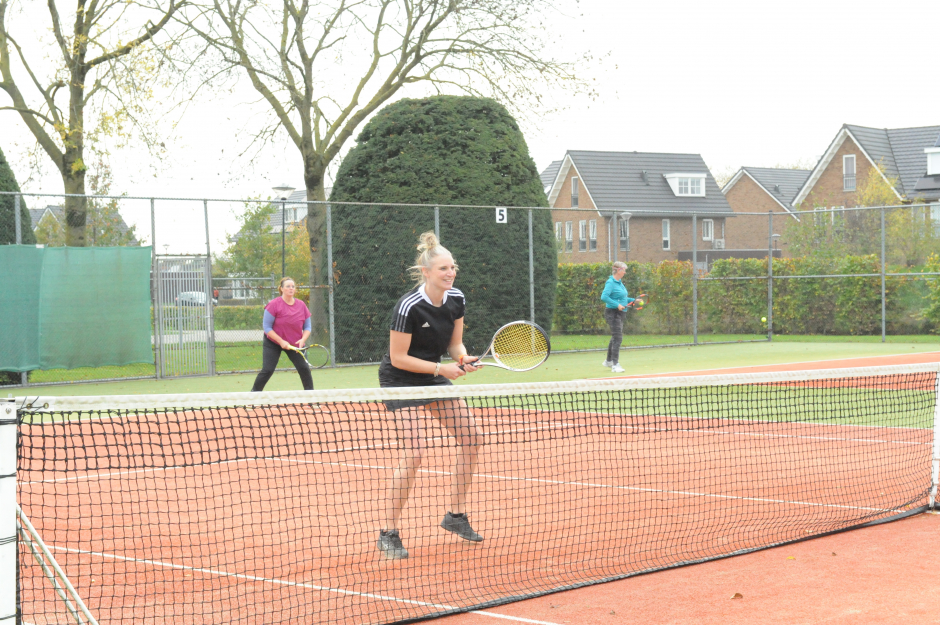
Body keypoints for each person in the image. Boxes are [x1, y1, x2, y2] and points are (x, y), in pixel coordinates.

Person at [376, 231, 483, 560]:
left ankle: (455, 515)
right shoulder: (408, 306)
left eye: (453, 267)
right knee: (415, 451)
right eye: (443, 268)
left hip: (433, 375)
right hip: (400, 379)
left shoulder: (456, 298)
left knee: (472, 438)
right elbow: (398, 357)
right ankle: (388, 532)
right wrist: (441, 369)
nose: (451, 273)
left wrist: (462, 358)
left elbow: (454, 344)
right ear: (426, 272)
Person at [250, 277, 314, 392]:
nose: (291, 288)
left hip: (295, 343)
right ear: (281, 289)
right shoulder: (274, 304)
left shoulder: (301, 305)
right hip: (273, 342)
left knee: (304, 368)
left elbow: (307, 327)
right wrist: (281, 341)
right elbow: (267, 327)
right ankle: (253, 396)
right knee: (268, 370)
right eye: (288, 286)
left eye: (293, 286)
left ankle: (310, 397)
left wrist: (303, 339)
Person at [600, 261, 634, 374]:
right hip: (612, 313)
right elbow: (604, 297)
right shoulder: (610, 282)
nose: (625, 272)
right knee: (618, 338)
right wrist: (617, 305)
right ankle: (615, 365)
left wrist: (633, 300)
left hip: (620, 313)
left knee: (615, 337)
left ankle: (608, 361)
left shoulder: (619, 283)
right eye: (624, 270)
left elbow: (623, 299)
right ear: (618, 270)